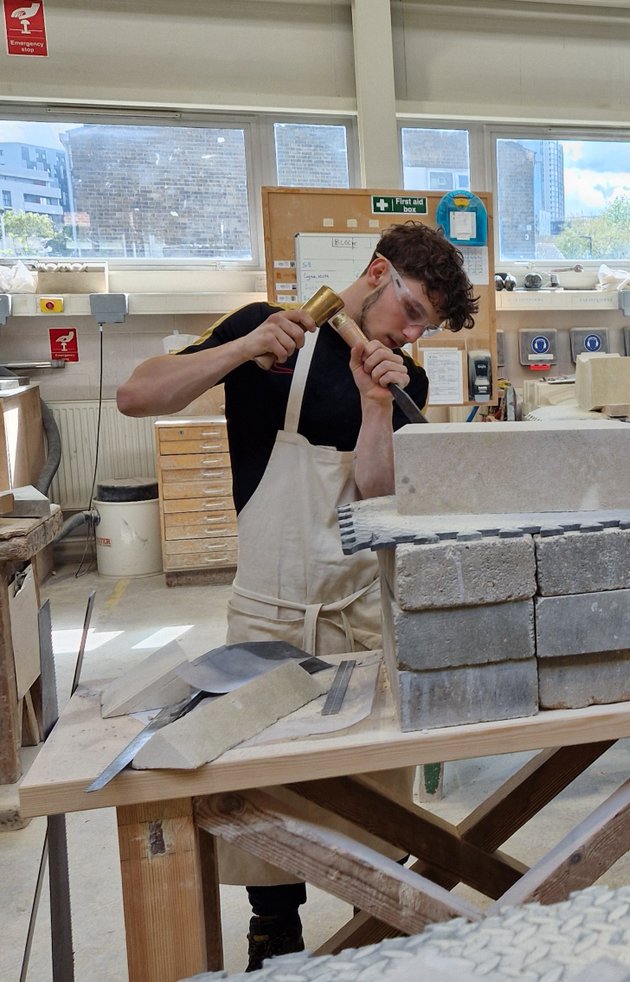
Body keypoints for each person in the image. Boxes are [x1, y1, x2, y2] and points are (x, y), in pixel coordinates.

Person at [116, 219, 479, 968]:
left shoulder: (402, 375)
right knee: (266, 798)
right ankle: (273, 932)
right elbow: (136, 394)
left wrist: (377, 403)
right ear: (377, 272)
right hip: (268, 609)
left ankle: (373, 934)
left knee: (376, 797)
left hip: (362, 610)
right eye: (412, 312)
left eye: (429, 328)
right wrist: (245, 349)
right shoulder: (268, 331)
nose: (414, 334)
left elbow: (379, 500)